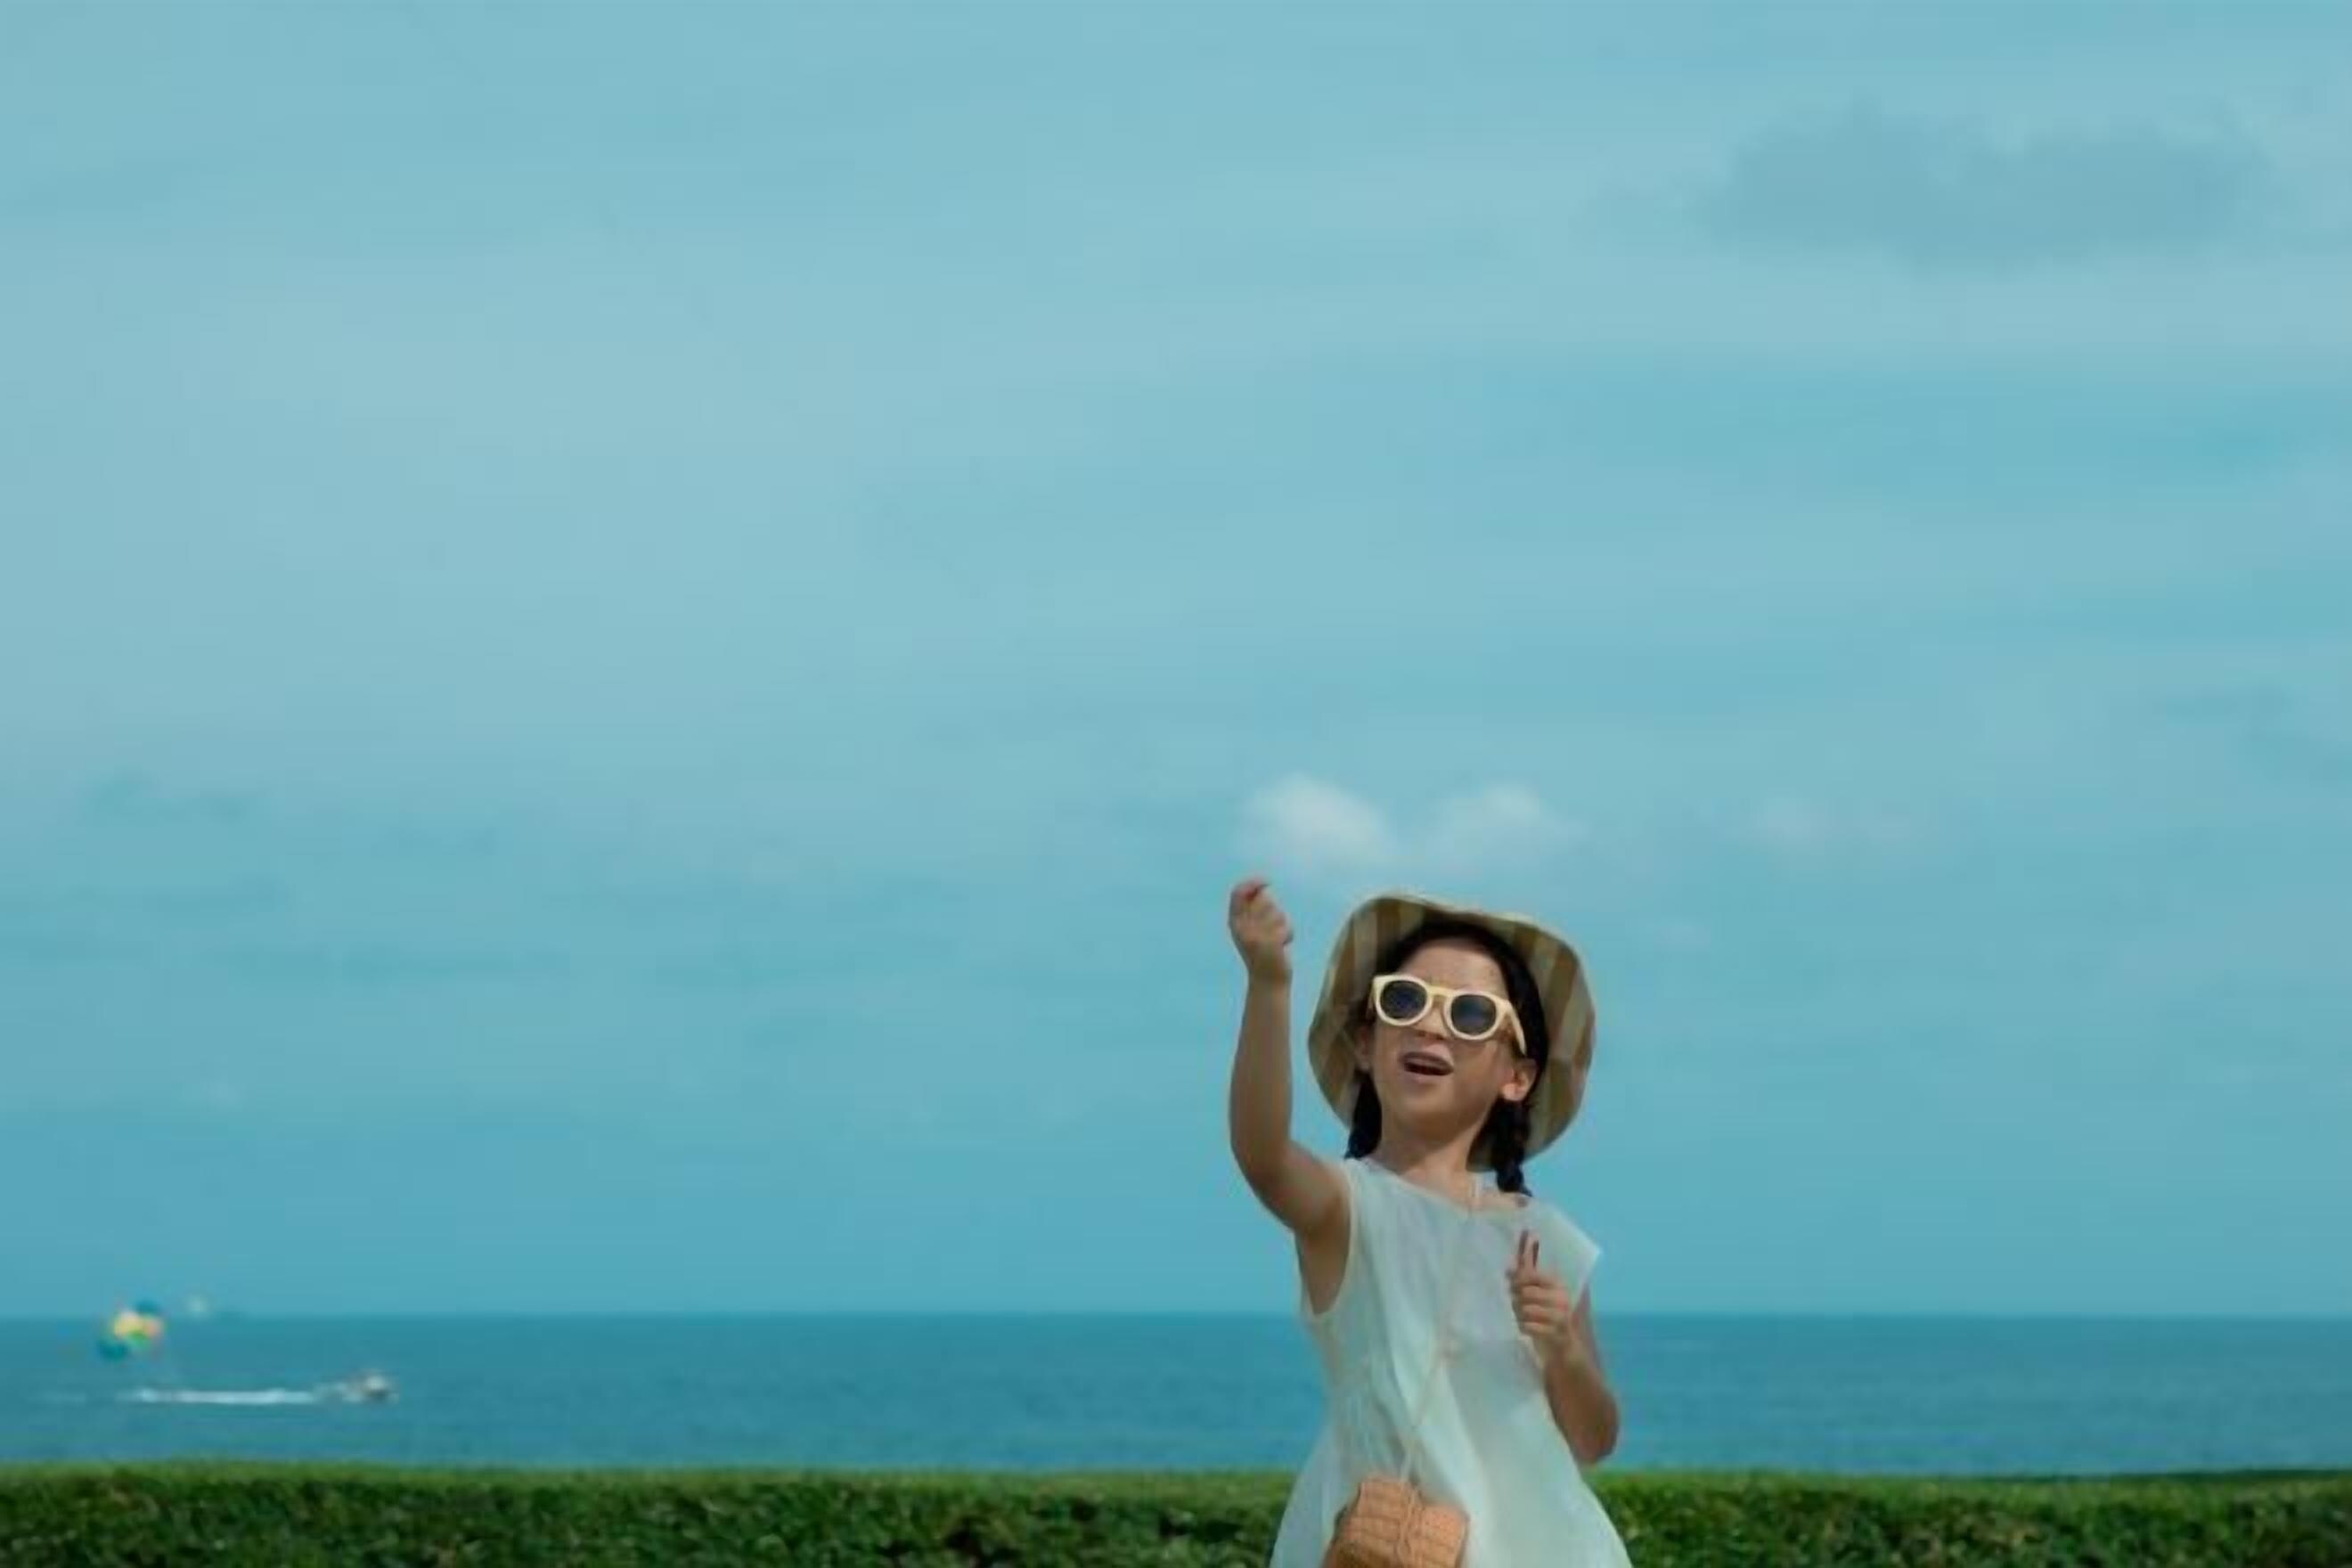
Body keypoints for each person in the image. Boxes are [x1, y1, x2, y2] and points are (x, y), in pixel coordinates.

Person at [1227, 878, 1631, 1566]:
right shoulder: (1346, 1207)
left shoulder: (1543, 1237)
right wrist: (1268, 984)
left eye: (1472, 1014)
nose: (1432, 1024)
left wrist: (1561, 1347)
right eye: (1405, 1000)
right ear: (1365, 1040)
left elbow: (1592, 1440)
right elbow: (1262, 1155)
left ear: (1517, 1076)